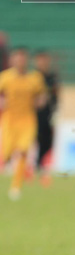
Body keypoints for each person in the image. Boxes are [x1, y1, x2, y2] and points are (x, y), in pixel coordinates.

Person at [0, 47, 46, 200]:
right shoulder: (5, 77)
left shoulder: (35, 78)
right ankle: (8, 166)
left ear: (26, 60)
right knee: (6, 155)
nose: (20, 61)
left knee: (22, 152)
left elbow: (42, 96)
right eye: (17, 58)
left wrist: (40, 102)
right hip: (9, 120)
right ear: (12, 60)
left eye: (22, 58)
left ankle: (16, 186)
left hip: (27, 121)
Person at [34, 50, 59, 186]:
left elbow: (56, 95)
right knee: (33, 143)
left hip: (48, 116)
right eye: (40, 60)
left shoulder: (52, 77)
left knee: (47, 143)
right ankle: (32, 169)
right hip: (34, 117)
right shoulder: (33, 77)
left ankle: (43, 170)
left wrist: (56, 112)